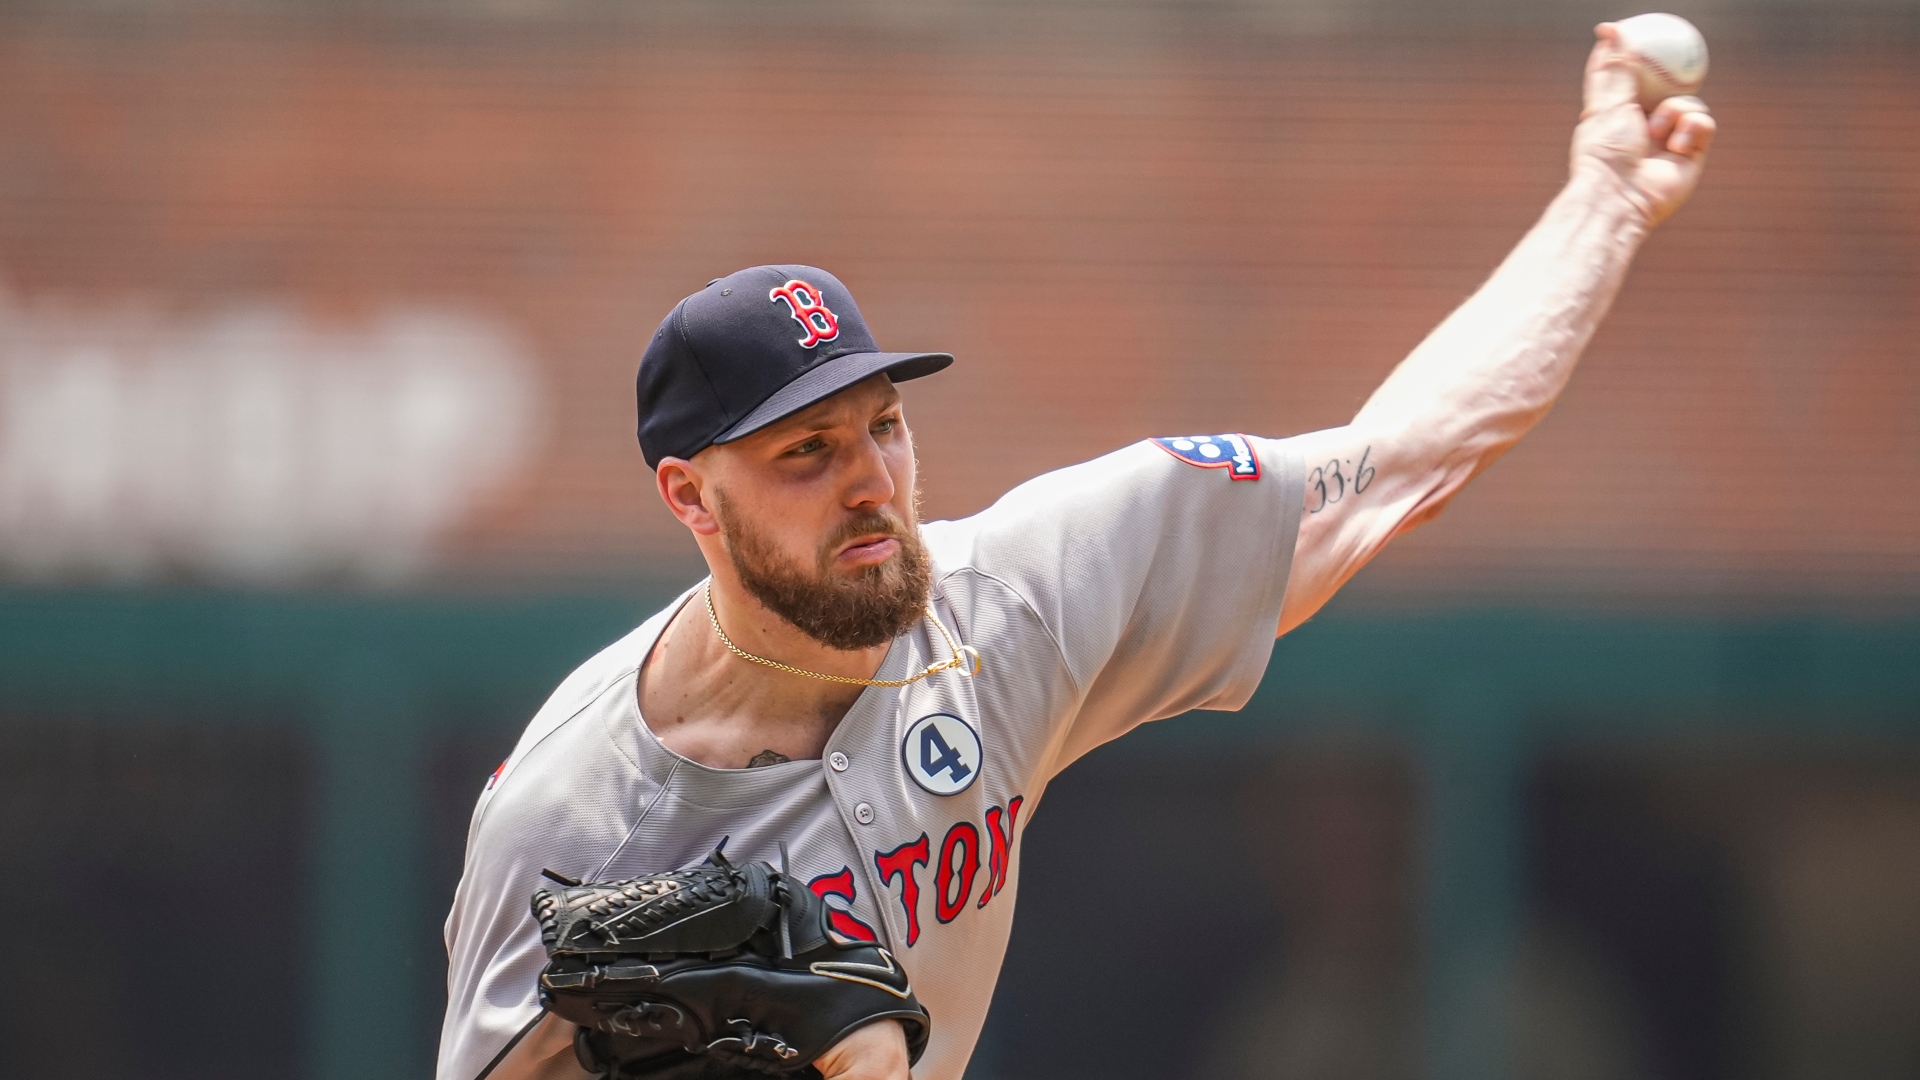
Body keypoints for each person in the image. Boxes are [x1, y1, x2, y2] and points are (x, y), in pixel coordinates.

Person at [438, 25, 1714, 1080]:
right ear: (690, 499)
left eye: (883, 425)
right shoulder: (570, 817)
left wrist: (1604, 202)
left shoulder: (1014, 602)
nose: (874, 479)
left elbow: (1409, 457)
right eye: (806, 453)